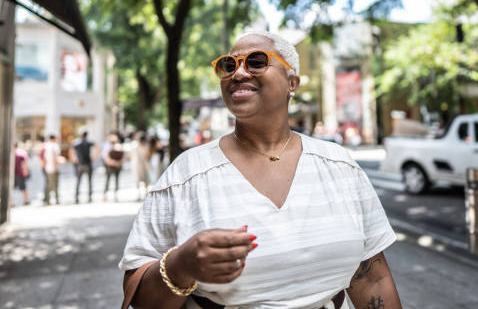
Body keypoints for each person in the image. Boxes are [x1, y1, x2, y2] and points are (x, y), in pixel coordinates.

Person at [119, 31, 401, 309]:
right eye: (228, 66)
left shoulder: (339, 166)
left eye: (256, 62)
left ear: (292, 82)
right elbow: (141, 296)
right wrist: (181, 264)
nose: (238, 73)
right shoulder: (186, 174)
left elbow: (372, 279)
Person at [71, 130, 96, 203]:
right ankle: (90, 197)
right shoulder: (89, 142)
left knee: (78, 181)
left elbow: (71, 151)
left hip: (80, 164)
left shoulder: (76, 142)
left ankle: (76, 197)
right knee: (89, 181)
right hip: (88, 164)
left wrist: (74, 159)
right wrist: (94, 157)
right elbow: (97, 148)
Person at [104, 135, 125, 201]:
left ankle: (107, 195)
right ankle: (115, 195)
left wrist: (112, 162)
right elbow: (123, 157)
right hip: (116, 166)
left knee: (108, 180)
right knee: (115, 180)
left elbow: (106, 158)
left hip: (110, 166)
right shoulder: (119, 147)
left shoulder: (109, 148)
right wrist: (118, 163)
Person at [130, 132, 151, 200]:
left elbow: (131, 155)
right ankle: (144, 193)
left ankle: (140, 194)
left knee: (140, 180)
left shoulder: (136, 146)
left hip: (138, 165)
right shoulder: (144, 147)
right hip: (141, 165)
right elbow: (148, 156)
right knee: (143, 180)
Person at [42, 134, 62, 205]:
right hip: (52, 168)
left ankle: (49, 200)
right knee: (53, 184)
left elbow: (43, 157)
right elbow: (54, 158)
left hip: (48, 167)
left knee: (50, 184)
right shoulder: (53, 146)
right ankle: (53, 200)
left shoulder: (46, 146)